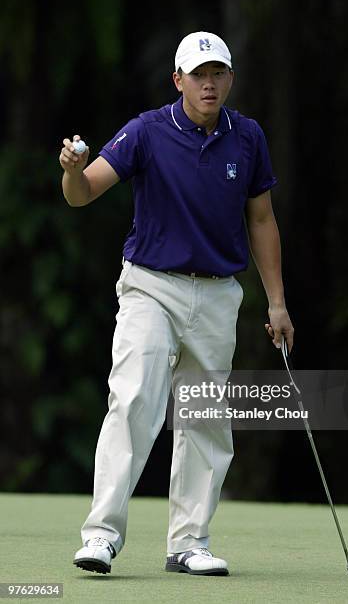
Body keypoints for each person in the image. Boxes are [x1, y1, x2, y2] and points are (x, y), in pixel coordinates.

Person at [59, 31, 294, 576]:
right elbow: (84, 192)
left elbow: (261, 220)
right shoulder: (146, 131)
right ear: (178, 81)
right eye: (198, 74)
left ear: (230, 78)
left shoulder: (248, 138)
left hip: (217, 295)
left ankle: (189, 542)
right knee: (136, 398)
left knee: (206, 419)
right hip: (150, 287)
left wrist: (277, 303)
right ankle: (100, 536)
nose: (208, 84)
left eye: (217, 73)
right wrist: (72, 169)